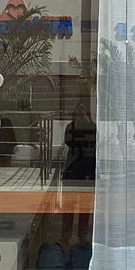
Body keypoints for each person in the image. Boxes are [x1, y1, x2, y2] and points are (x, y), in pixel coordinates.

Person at [60, 104, 96, 248]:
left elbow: (93, 141)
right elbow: (70, 142)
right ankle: (65, 236)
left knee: (85, 205)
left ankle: (83, 235)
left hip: (88, 167)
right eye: (78, 112)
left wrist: (84, 129)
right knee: (69, 204)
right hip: (73, 167)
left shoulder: (92, 126)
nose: (81, 114)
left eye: (83, 112)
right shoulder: (70, 126)